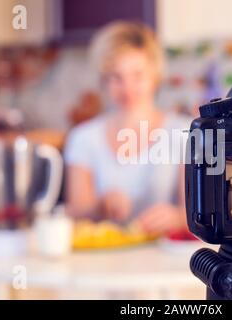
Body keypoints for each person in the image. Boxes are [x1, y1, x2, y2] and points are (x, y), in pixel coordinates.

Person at [64, 21, 190, 236]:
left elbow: (200, 216)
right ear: (103, 80)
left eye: (138, 75)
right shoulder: (83, 137)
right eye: (116, 77)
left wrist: (178, 218)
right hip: (103, 263)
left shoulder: (185, 133)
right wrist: (101, 205)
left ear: (155, 76)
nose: (127, 88)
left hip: (164, 260)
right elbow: (76, 212)